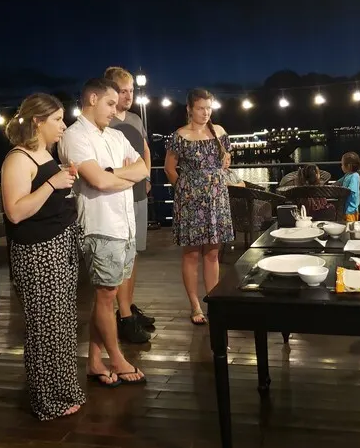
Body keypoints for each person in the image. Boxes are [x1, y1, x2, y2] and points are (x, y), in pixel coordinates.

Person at [0, 93, 86, 420]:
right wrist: (52, 184)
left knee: (62, 324)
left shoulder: (44, 154)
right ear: (37, 121)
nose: (63, 126)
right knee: (44, 328)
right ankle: (46, 399)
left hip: (59, 247)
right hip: (37, 253)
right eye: (57, 119)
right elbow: (15, 212)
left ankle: (65, 390)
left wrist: (61, 183)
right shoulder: (18, 159)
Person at [59, 77, 149, 386]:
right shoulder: (74, 136)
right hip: (100, 226)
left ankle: (95, 361)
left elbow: (143, 169)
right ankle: (116, 357)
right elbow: (97, 181)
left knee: (106, 297)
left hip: (125, 225)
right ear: (93, 99)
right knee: (105, 295)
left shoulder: (115, 135)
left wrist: (113, 174)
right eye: (110, 103)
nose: (115, 109)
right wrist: (121, 177)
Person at [164, 89, 234, 325]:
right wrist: (185, 192)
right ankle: (195, 305)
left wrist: (222, 168)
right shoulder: (180, 136)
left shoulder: (219, 132)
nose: (206, 113)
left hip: (216, 200)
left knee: (213, 253)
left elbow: (226, 160)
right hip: (190, 203)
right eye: (201, 108)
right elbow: (169, 169)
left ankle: (213, 302)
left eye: (209, 108)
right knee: (192, 254)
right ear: (190, 109)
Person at [104, 66, 154, 344]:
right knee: (122, 255)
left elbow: (144, 149)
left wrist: (146, 177)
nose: (128, 96)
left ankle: (129, 307)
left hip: (137, 192)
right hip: (117, 194)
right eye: (122, 91)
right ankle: (122, 314)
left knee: (134, 254)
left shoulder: (135, 118)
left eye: (131, 91)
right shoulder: (106, 120)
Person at [337, 152, 360, 222]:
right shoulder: (347, 175)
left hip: (351, 209)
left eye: (342, 164)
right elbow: (338, 182)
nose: (341, 166)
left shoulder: (355, 176)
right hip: (345, 207)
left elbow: (351, 190)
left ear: (348, 166)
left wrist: (340, 192)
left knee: (351, 225)